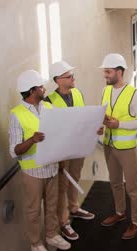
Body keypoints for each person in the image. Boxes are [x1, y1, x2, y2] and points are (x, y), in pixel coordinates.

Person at [9, 70, 71, 251]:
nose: (45, 89)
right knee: (34, 211)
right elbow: (14, 150)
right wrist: (32, 140)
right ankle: (36, 244)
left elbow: (61, 131)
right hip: (33, 173)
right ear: (32, 90)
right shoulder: (16, 114)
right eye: (41, 86)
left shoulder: (48, 107)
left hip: (51, 167)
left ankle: (52, 235)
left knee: (52, 207)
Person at [45, 61, 100, 241]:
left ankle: (74, 208)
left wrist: (93, 128)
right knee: (62, 186)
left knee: (75, 177)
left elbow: (82, 117)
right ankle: (63, 222)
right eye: (69, 76)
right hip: (62, 150)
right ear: (58, 80)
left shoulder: (77, 93)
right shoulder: (49, 102)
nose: (73, 78)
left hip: (78, 146)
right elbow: (51, 130)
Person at [99, 53, 137, 239]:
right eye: (105, 72)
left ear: (120, 72)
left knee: (133, 188)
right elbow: (102, 113)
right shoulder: (105, 91)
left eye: (108, 72)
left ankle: (136, 223)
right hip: (108, 145)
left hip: (126, 148)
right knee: (115, 183)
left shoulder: (135, 94)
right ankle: (120, 213)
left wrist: (120, 124)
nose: (105, 75)